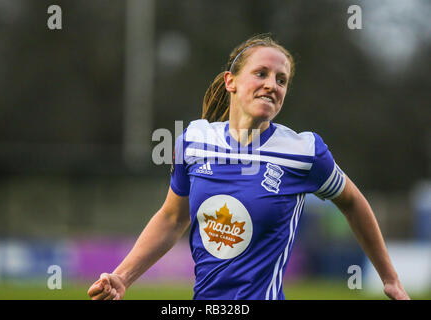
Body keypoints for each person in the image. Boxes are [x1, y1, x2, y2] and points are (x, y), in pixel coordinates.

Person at [87, 34, 410, 300]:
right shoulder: (193, 141)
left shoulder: (303, 152)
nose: (272, 84)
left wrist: (390, 278)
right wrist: (122, 277)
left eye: (281, 80)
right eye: (261, 73)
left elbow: (353, 203)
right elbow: (172, 218)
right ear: (231, 81)